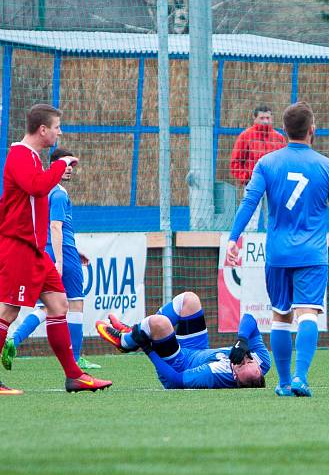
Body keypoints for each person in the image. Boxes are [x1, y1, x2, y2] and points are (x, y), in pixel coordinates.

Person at [226, 101, 329, 397]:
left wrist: (234, 239)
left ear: (283, 130)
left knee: (280, 315)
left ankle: (283, 384)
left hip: (278, 254)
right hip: (312, 254)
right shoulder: (328, 167)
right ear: (312, 130)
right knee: (307, 314)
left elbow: (249, 202)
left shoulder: (267, 163)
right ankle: (300, 378)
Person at [0, 104, 111, 394]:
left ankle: (74, 376)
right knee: (8, 310)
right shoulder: (20, 156)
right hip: (20, 247)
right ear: (43, 130)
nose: (60, 132)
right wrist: (60, 166)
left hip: (36, 250)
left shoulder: (33, 158)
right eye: (57, 127)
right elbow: (37, 188)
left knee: (59, 305)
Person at [2, 148, 99, 371]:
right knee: (75, 302)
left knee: (47, 306)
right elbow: (56, 226)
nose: (70, 171)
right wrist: (62, 259)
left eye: (72, 167)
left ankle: (12, 340)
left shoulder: (41, 192)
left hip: (45, 251)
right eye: (66, 166)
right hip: (61, 252)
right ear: (54, 165)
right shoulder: (58, 193)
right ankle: (75, 360)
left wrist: (75, 249)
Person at [96, 292, 268, 389]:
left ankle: (125, 341)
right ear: (260, 368)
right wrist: (242, 340)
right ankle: (135, 332)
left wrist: (148, 350)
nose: (244, 360)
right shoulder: (262, 360)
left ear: (235, 377)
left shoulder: (214, 376)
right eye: (248, 361)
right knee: (190, 300)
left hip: (178, 364)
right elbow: (249, 318)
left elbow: (175, 380)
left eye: (239, 366)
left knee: (160, 323)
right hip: (198, 349)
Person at [229, 105, 287, 231]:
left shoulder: (279, 138)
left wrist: (281, 181)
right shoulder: (246, 136)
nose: (265, 121)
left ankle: (272, 248)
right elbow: (236, 162)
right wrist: (246, 179)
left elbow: (285, 163)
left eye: (267, 118)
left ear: (272, 118)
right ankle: (247, 245)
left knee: (274, 220)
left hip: (273, 185)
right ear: (254, 118)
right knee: (250, 220)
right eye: (262, 118)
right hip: (253, 183)